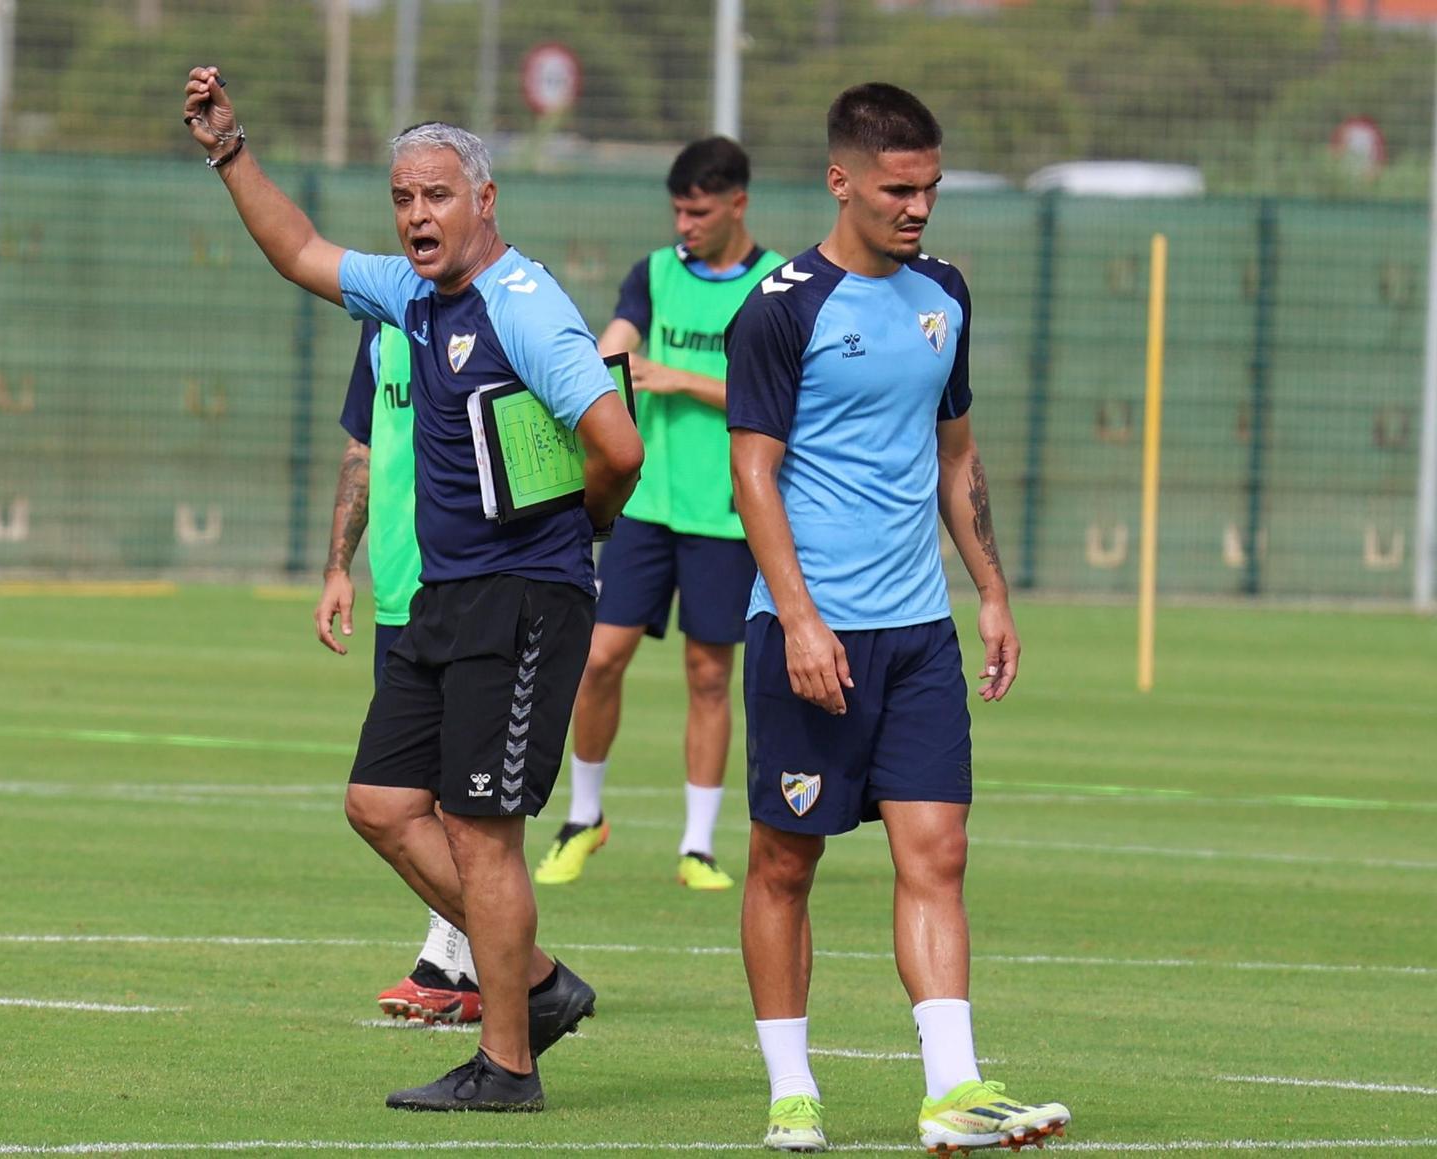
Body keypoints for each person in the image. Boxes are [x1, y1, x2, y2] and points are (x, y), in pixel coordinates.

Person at [184, 68, 643, 1112]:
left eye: (437, 195)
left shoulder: (526, 309)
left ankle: (507, 1066)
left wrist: (579, 523)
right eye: (402, 198)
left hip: (524, 599)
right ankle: (536, 980)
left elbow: (617, 446)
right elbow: (300, 251)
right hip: (443, 596)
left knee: (483, 830)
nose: (417, 215)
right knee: (383, 805)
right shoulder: (409, 295)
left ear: (485, 200)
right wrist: (230, 151)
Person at [724, 83, 1071, 1153]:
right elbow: (752, 473)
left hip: (919, 632)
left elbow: (955, 455)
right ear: (841, 181)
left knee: (938, 853)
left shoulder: (944, 293)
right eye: (896, 190)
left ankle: (952, 1088)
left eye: (930, 188)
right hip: (810, 632)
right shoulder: (780, 307)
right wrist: (799, 620)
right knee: (786, 861)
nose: (917, 208)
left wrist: (992, 591)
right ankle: (792, 1090)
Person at [534, 138, 783, 892]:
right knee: (598, 658)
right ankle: (583, 818)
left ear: (737, 204)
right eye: (677, 210)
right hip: (645, 510)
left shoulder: (777, 285)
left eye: (698, 211)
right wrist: (584, 370)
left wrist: (679, 378)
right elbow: (613, 347)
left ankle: (697, 845)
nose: (684, 225)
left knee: (709, 675)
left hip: (726, 513)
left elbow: (783, 399)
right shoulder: (654, 273)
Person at [314, 320, 481, 1027]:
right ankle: (478, 960)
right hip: (398, 592)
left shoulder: (502, 308)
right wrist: (338, 567)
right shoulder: (380, 323)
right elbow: (363, 446)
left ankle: (455, 962)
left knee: (463, 792)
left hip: (474, 590)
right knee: (403, 792)